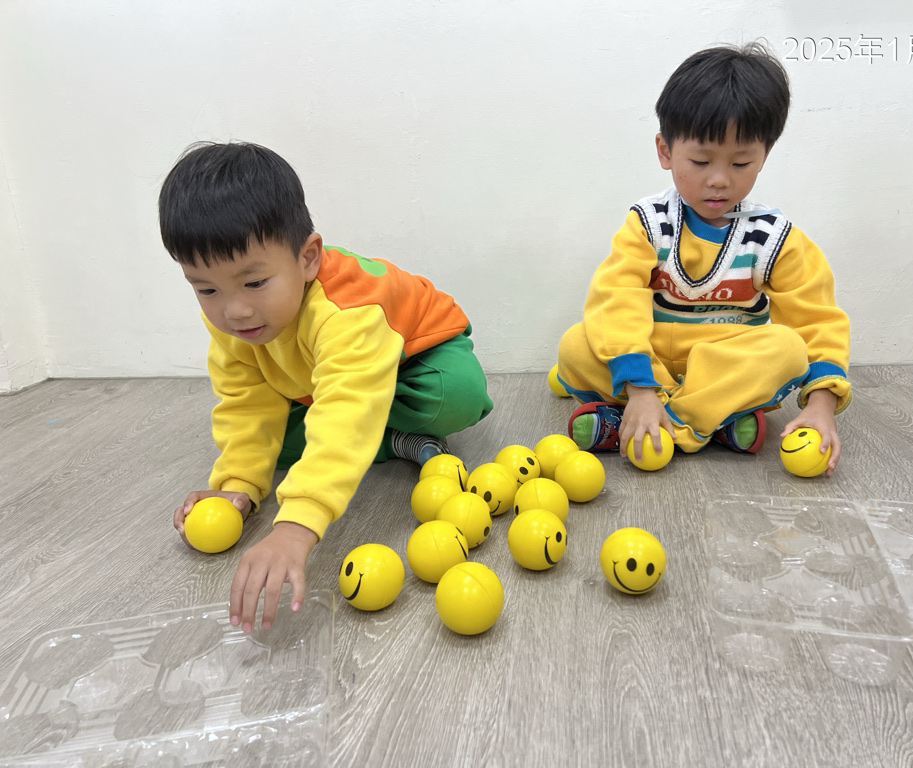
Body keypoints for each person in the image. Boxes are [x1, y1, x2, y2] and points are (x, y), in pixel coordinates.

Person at [158, 142, 493, 632]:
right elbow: (246, 404)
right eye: (206, 289)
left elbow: (348, 406)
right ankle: (393, 441)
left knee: (455, 396)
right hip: (326, 383)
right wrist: (237, 486)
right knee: (275, 445)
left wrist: (297, 526)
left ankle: (378, 434)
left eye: (254, 283)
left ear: (308, 258)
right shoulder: (232, 322)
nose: (235, 310)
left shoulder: (346, 309)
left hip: (417, 357)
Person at [556, 43, 850, 474]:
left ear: (764, 155)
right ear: (665, 150)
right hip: (651, 357)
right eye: (700, 160)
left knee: (788, 349)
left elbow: (816, 322)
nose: (719, 179)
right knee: (575, 345)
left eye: (741, 163)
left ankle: (659, 426)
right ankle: (715, 421)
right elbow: (616, 297)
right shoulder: (647, 224)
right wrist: (640, 387)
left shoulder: (775, 238)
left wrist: (821, 407)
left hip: (724, 364)